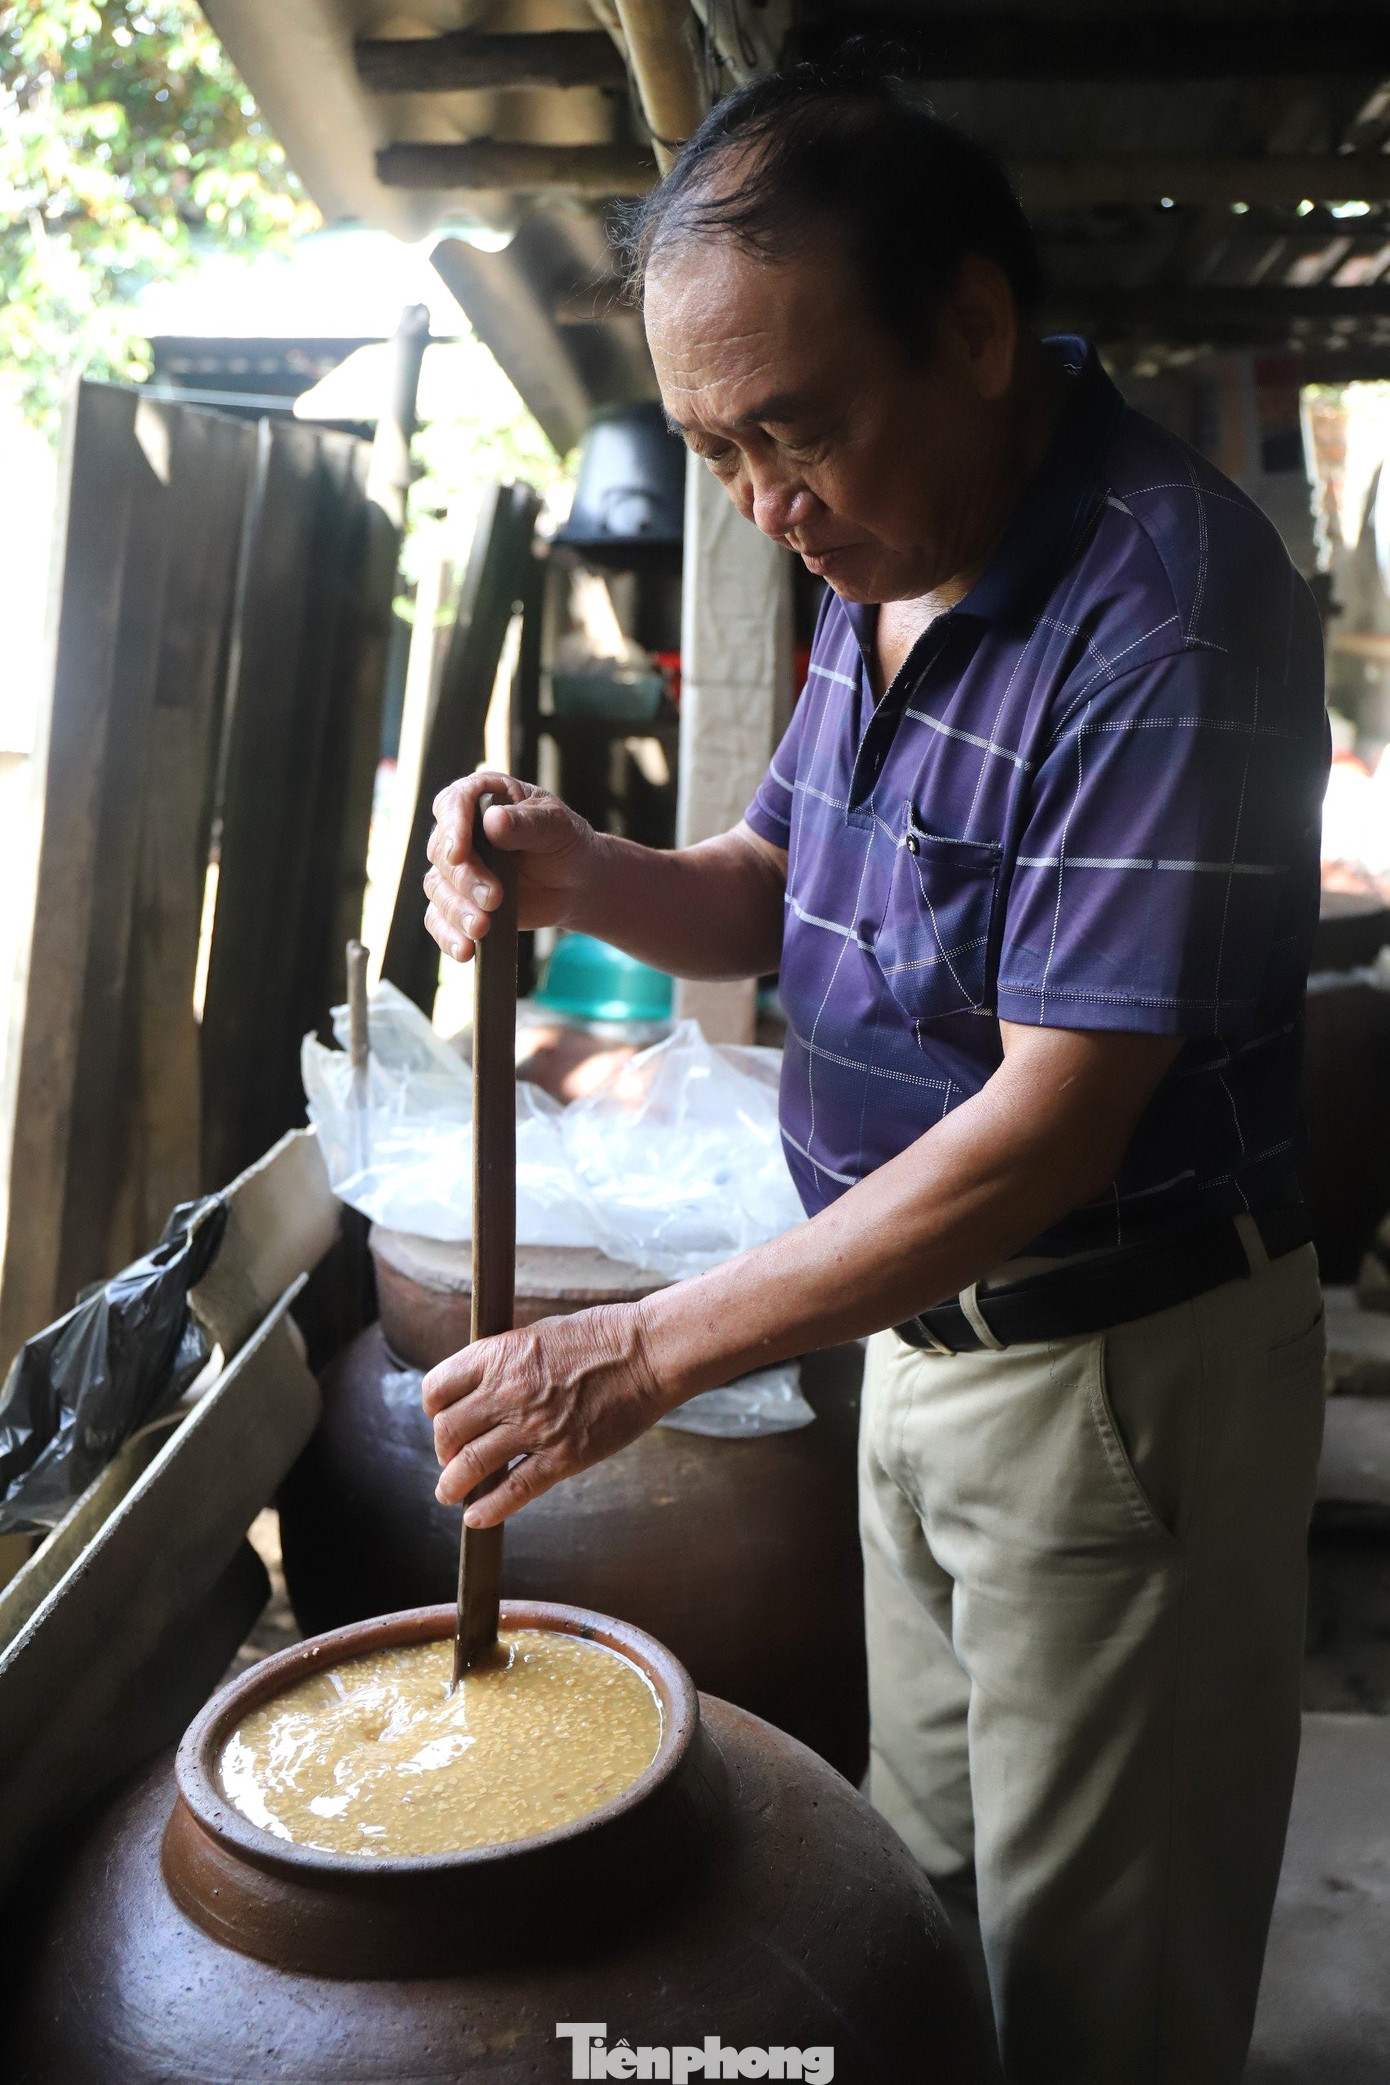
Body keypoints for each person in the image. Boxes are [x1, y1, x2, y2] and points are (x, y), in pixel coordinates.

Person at [419, 66, 1329, 2085]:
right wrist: (580, 869)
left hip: (1109, 1383)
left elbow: (1050, 1123)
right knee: (920, 1907)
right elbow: (777, 886)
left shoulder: (1160, 606)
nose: (764, 501)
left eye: (794, 429)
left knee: (1092, 1997)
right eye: (717, 450)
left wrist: (638, 1352)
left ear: (973, 329)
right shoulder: (886, 553)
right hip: (913, 1346)